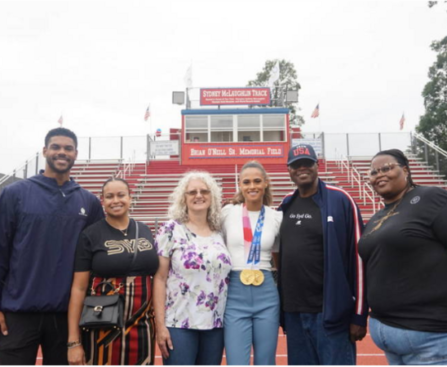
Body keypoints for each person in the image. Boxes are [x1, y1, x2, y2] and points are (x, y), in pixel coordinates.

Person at [0, 127, 104, 365]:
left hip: (67, 316)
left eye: (68, 148)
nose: (62, 152)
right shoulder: (14, 194)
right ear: (45, 150)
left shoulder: (88, 201)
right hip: (18, 312)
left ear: (76, 154)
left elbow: (96, 259)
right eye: (56, 147)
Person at [277, 144, 367, 365]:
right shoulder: (286, 204)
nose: (302, 169)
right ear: (289, 170)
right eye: (296, 165)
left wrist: (359, 313)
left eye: (307, 163)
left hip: (331, 313)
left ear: (318, 165)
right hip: (294, 313)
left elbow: (360, 258)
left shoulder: (341, 200)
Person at [358, 149, 447, 365]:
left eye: (386, 168)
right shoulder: (378, 217)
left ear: (405, 170)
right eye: (373, 172)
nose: (379, 175)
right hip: (389, 335)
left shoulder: (431, 197)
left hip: (428, 335)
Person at [67, 177, 159, 365]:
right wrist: (73, 341)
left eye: (121, 195)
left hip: (142, 324)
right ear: (102, 201)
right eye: (109, 196)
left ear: (130, 198)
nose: (115, 200)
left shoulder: (144, 229)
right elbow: (78, 288)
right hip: (103, 324)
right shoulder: (90, 235)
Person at [153, 171, 232, 365]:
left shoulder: (220, 231)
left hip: (215, 324)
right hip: (179, 323)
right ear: (184, 198)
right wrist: (160, 325)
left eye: (204, 191)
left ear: (211, 197)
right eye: (192, 192)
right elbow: (159, 278)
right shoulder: (170, 229)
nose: (199, 195)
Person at [221, 161, 282, 365]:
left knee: (266, 361)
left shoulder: (276, 217)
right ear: (240, 185)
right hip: (235, 293)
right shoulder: (228, 213)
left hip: (266, 293)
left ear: (265, 183)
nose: (252, 186)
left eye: (257, 181)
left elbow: (278, 256)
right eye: (246, 182)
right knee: (236, 361)